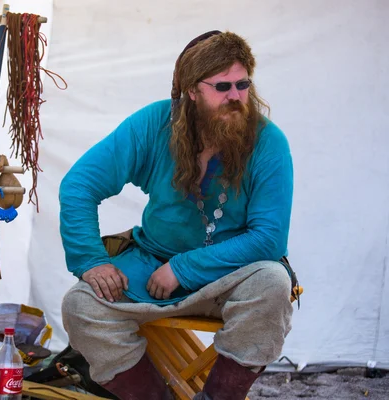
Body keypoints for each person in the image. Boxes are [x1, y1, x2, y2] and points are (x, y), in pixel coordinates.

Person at [59, 30, 297, 400]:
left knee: (273, 284)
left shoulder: (269, 142)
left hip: (229, 275)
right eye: (222, 87)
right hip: (151, 264)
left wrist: (183, 269)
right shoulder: (155, 125)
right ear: (191, 90)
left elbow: (269, 238)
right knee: (81, 305)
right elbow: (80, 185)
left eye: (242, 84)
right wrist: (90, 259)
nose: (235, 97)